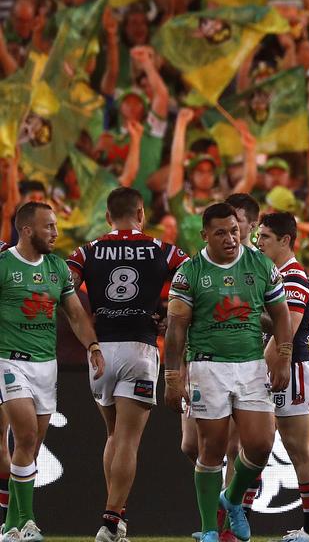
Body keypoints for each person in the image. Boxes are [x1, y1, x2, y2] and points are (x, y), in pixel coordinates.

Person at [163, 203, 293, 542]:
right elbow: (176, 329)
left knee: (261, 444)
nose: (230, 238)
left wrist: (283, 354)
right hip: (207, 366)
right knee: (212, 448)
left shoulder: (261, 265)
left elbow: (281, 315)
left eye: (234, 231)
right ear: (205, 235)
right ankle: (209, 529)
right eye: (221, 232)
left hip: (251, 365)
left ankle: (232, 498)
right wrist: (172, 377)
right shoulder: (189, 272)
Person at [66, 187, 189, 542]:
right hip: (139, 347)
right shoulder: (161, 249)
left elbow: (66, 290)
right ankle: (110, 520)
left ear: (107, 216)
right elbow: (191, 279)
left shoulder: (87, 251)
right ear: (141, 213)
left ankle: (116, 520)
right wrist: (167, 313)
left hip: (100, 349)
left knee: (112, 435)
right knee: (128, 441)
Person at [0, 202, 105, 542]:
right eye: (49, 227)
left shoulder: (57, 268)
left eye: (56, 226)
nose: (56, 233)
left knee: (30, 447)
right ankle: (29, 521)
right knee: (26, 435)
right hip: (9, 360)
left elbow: (75, 315)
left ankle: (9, 525)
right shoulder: (3, 265)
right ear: (27, 230)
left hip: (47, 365)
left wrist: (93, 346)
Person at [256, 212, 309, 542]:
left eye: (266, 237)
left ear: (286, 240)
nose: (258, 242)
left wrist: (260, 372)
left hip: (292, 367)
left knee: (300, 450)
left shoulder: (293, 277)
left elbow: (287, 333)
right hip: (286, 367)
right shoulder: (276, 276)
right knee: (254, 448)